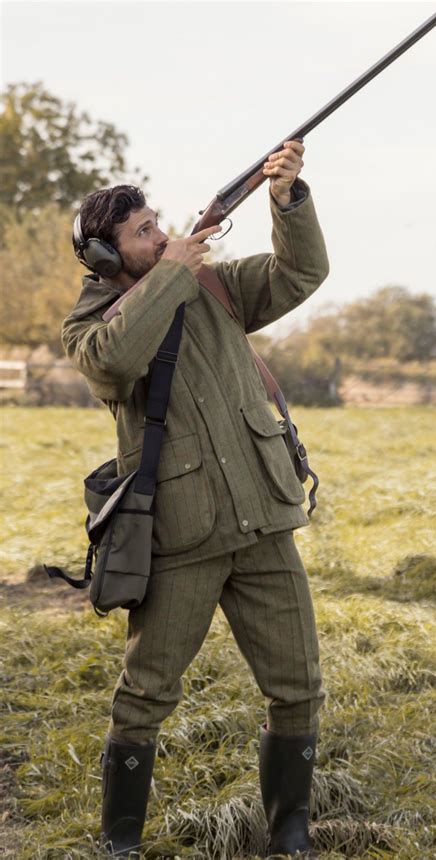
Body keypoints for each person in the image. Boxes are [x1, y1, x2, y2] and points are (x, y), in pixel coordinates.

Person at [62, 140, 329, 858]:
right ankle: (121, 842)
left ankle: (291, 833)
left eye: (157, 223)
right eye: (142, 233)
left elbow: (303, 271)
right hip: (178, 534)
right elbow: (118, 360)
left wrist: (285, 199)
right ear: (108, 258)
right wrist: (171, 274)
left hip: (264, 518)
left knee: (299, 684)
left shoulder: (216, 286)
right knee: (144, 696)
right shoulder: (90, 328)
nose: (163, 235)